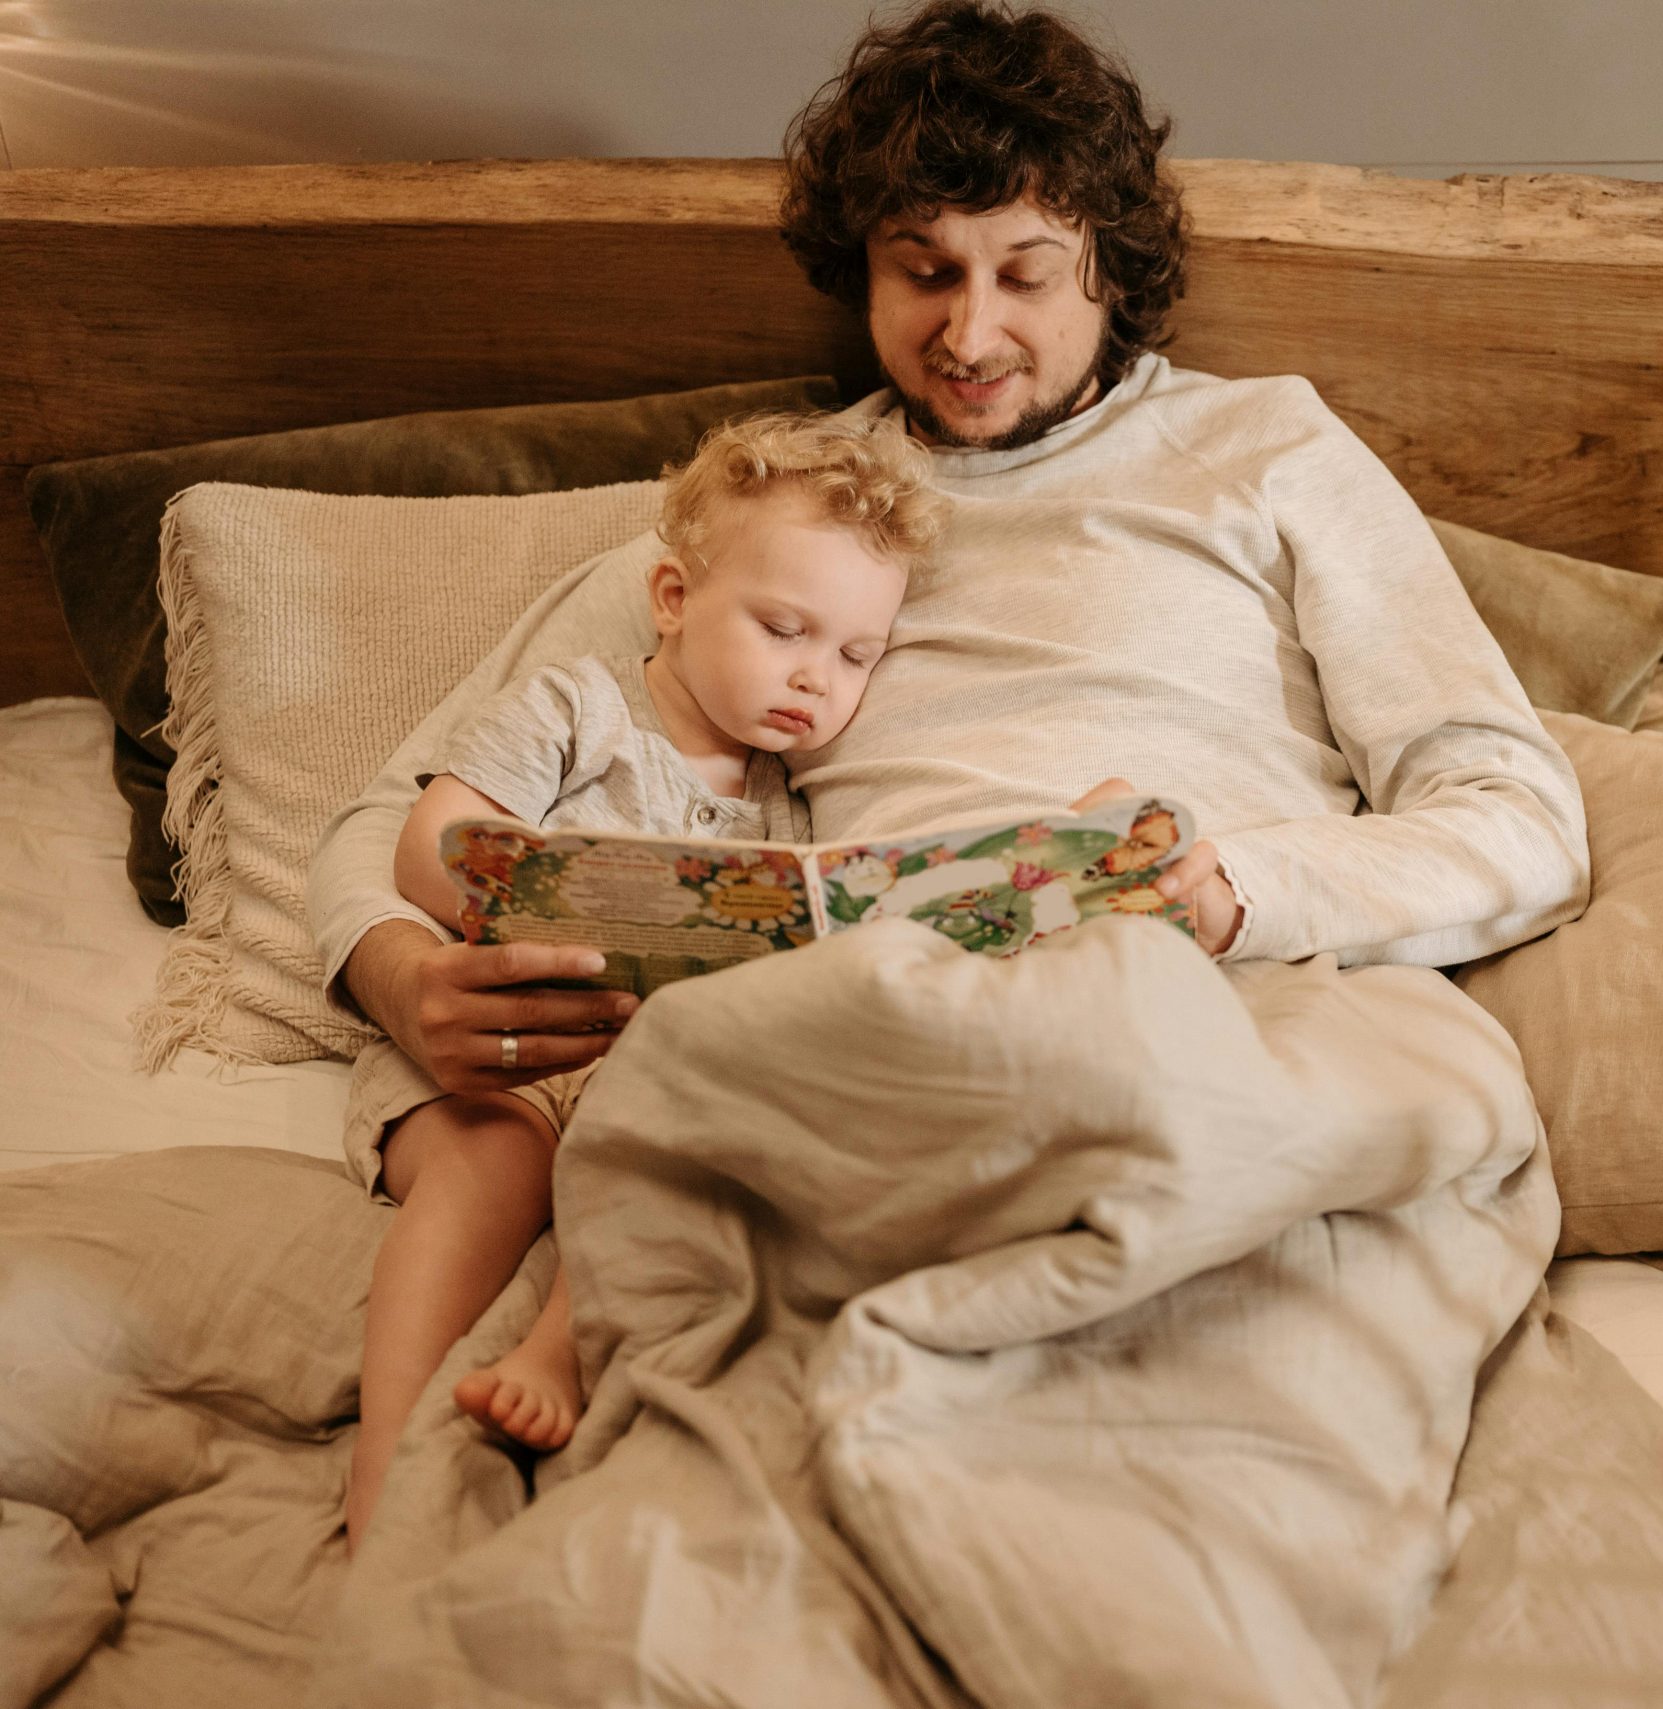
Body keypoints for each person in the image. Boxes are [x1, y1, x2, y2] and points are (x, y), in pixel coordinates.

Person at [307, 0, 1590, 1539]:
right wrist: (395, 975)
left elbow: (1517, 813)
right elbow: (400, 809)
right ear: (862, 269)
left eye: (1024, 275)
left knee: (1229, 1436)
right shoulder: (785, 513)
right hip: (872, 1025)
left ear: (1109, 266)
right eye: (923, 272)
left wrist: (1238, 890)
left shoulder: (1268, 452)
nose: (969, 333)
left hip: (1224, 994)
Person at [337, 410, 946, 1550]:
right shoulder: (579, 707)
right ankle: (381, 1465)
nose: (816, 678)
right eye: (784, 628)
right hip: (504, 1050)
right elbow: (430, 847)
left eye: (854, 654)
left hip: (641, 1072)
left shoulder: (783, 803)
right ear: (673, 598)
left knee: (687, 1158)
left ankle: (554, 1348)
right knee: (490, 1167)